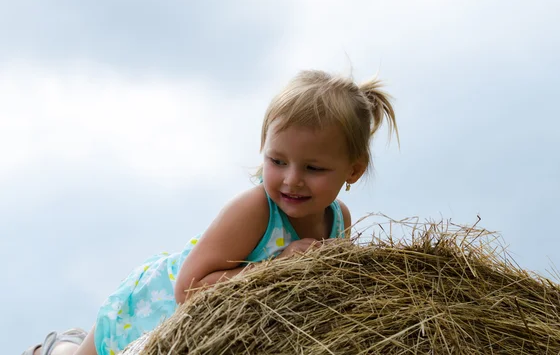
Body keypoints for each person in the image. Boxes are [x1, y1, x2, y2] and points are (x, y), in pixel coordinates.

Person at [23, 69, 399, 355]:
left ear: (353, 169)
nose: (291, 180)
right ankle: (61, 345)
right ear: (262, 149)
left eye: (314, 168)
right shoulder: (255, 210)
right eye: (277, 160)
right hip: (156, 307)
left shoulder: (339, 219)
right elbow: (187, 288)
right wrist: (277, 265)